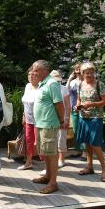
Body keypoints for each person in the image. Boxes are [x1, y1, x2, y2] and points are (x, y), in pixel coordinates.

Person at [31, 60, 64, 194]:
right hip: (41, 124)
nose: (34, 73)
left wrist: (62, 120)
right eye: (33, 70)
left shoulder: (52, 84)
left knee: (52, 154)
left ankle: (53, 183)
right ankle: (47, 177)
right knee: (46, 153)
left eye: (36, 70)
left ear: (45, 71)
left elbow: (59, 104)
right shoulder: (42, 84)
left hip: (49, 124)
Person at [75, 62, 105, 182]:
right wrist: (77, 106)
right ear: (82, 74)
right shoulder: (80, 85)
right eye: (86, 73)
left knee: (95, 143)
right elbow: (79, 99)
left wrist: (93, 104)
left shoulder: (99, 84)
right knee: (87, 142)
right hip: (83, 117)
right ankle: (89, 166)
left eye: (91, 72)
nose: (89, 75)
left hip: (96, 117)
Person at [17, 66, 39, 170]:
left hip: (39, 121)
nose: (31, 76)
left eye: (34, 74)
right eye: (29, 74)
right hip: (28, 119)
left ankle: (49, 165)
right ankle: (28, 162)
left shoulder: (41, 87)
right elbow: (25, 103)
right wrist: (23, 115)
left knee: (39, 142)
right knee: (29, 141)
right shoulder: (27, 86)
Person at [50, 70, 71, 168]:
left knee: (61, 138)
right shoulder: (48, 88)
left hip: (62, 117)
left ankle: (61, 159)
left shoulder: (63, 89)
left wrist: (66, 119)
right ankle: (54, 159)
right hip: (51, 118)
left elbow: (68, 105)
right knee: (53, 139)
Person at [67, 62, 86, 158]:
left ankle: (85, 151)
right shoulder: (73, 82)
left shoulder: (86, 82)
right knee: (75, 130)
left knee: (83, 129)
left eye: (80, 72)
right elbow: (66, 92)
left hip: (84, 109)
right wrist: (70, 78)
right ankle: (78, 149)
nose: (78, 74)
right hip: (74, 109)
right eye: (76, 72)